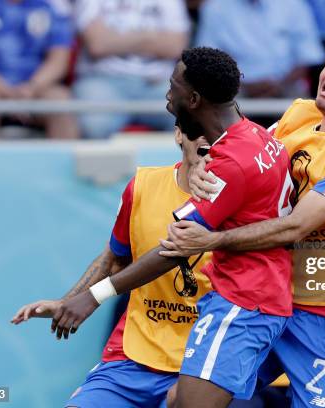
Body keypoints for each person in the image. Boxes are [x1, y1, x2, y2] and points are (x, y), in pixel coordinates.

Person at [160, 37, 325, 407]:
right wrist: (201, 164)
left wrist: (210, 241)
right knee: (186, 398)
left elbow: (296, 226)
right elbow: (245, 152)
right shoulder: (300, 115)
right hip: (275, 300)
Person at [48, 47, 294, 408]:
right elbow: (114, 256)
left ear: (193, 99)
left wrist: (93, 297)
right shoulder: (262, 139)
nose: (167, 93)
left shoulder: (230, 165)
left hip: (243, 305)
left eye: (173, 85)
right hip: (248, 304)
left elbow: (173, 249)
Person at [12, 126, 213, 407]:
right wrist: (67, 301)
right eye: (197, 128)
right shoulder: (144, 185)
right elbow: (115, 258)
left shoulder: (241, 199)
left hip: (203, 362)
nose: (207, 137)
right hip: (133, 356)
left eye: (217, 131)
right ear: (180, 134)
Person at [0, 0, 78, 139]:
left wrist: (30, 88)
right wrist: (7, 91)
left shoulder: (56, 5)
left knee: (60, 100)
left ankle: (62, 160)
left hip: (38, 88)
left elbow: (58, 62)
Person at [72, 0, 189, 138]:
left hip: (157, 84)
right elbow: (98, 45)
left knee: (190, 116)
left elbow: (175, 47)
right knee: (95, 125)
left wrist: (117, 39)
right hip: (102, 81)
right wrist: (149, 37)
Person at [195, 0, 325, 99]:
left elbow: (308, 58)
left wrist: (278, 85)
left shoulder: (294, 5)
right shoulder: (215, 8)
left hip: (287, 86)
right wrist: (243, 86)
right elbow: (210, 61)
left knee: (301, 106)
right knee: (216, 100)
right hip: (234, 89)